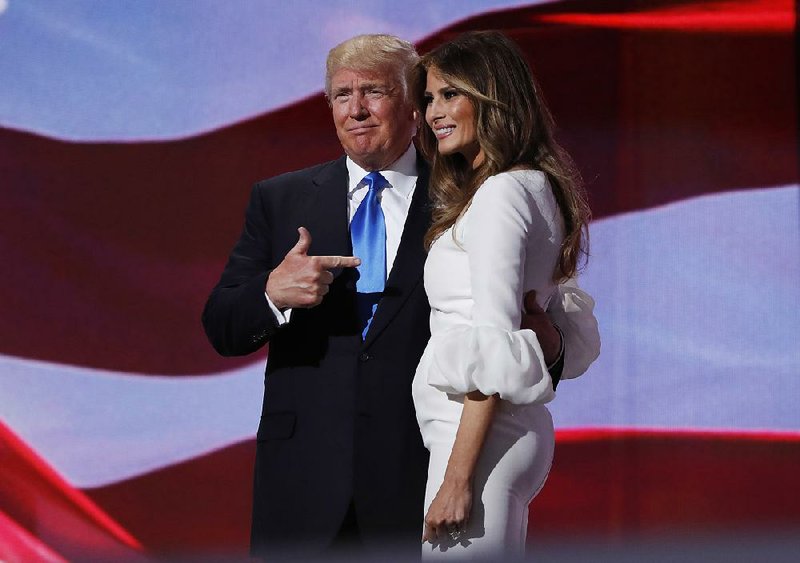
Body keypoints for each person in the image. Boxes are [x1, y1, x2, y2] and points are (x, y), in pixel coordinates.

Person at [202, 34, 599, 559]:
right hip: (302, 481)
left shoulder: (465, 188)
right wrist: (272, 293)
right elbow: (221, 324)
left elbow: (538, 305)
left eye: (374, 92)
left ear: (412, 103)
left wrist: (552, 350)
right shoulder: (280, 199)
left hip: (422, 470)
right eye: (342, 95)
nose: (357, 109)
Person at [411, 30, 594, 559]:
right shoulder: (532, 185)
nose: (433, 113)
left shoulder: (502, 192)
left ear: (494, 98)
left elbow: (492, 342)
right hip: (495, 436)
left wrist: (457, 479)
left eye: (450, 94)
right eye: (428, 98)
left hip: (479, 442)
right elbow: (548, 328)